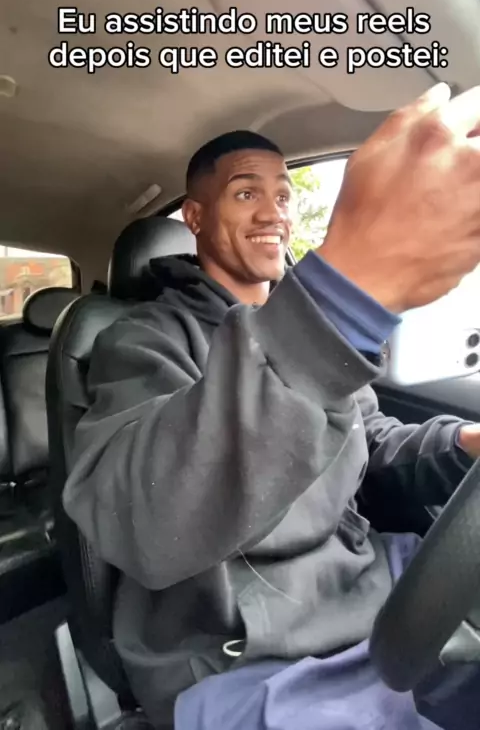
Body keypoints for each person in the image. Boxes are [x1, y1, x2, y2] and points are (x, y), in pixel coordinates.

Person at [63, 82, 480, 730]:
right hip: (240, 652)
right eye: (245, 193)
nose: (273, 213)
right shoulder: (142, 338)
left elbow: (369, 442)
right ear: (194, 218)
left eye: (283, 195)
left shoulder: (299, 322)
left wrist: (460, 445)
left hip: (371, 591)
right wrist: (341, 303)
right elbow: (145, 520)